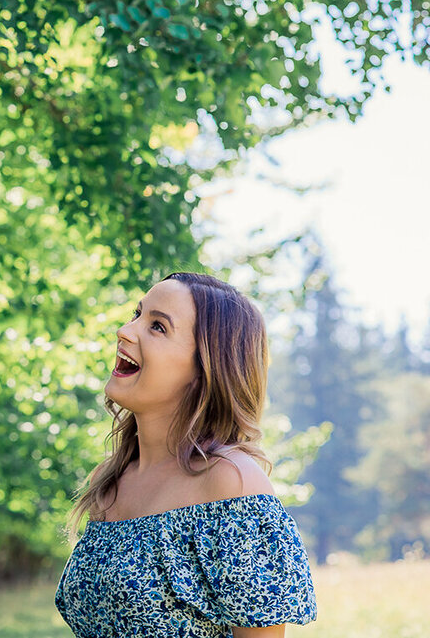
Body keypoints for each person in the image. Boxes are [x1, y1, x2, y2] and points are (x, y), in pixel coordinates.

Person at [54, 272, 317, 637]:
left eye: (158, 327)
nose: (125, 331)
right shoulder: (110, 481)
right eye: (137, 314)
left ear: (204, 369)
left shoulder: (230, 483)